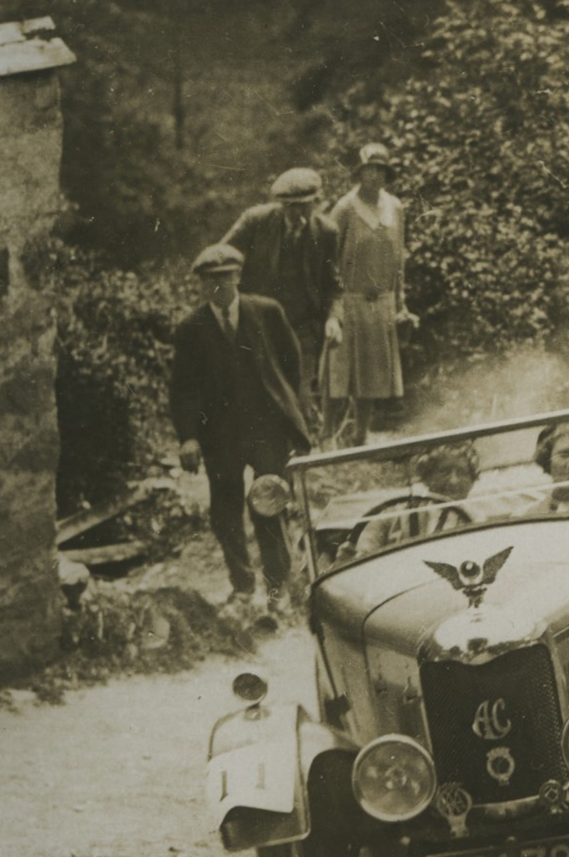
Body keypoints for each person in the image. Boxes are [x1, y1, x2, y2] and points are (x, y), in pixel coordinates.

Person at [168, 244, 312, 609]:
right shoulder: (191, 329)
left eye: (226, 278)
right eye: (211, 281)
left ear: (238, 277)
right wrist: (188, 437)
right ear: (202, 285)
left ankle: (278, 590)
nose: (220, 286)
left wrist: (291, 411)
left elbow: (291, 364)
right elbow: (183, 388)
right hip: (221, 435)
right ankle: (243, 587)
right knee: (226, 511)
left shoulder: (266, 312)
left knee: (269, 504)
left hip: (267, 429)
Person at [222, 167, 342, 418]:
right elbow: (220, 258)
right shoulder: (256, 221)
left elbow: (333, 286)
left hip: (304, 326)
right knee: (261, 393)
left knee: (300, 395)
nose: (297, 213)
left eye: (304, 206)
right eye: (290, 206)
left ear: (317, 202)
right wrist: (231, 301)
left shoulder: (327, 232)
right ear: (279, 204)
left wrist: (333, 319)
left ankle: (300, 452)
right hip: (259, 323)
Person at [325, 143, 417, 446]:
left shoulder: (395, 208)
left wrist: (401, 303)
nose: (375, 176)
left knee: (371, 376)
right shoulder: (345, 208)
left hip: (382, 300)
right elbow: (327, 257)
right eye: (369, 170)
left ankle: (360, 436)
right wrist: (332, 305)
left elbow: (398, 259)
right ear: (360, 172)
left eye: (381, 170)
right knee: (340, 375)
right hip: (349, 299)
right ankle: (326, 437)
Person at [354, 441, 479, 554]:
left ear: (472, 480)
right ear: (427, 477)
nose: (453, 481)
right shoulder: (394, 514)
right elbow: (363, 554)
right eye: (444, 472)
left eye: (462, 473)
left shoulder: (477, 521)